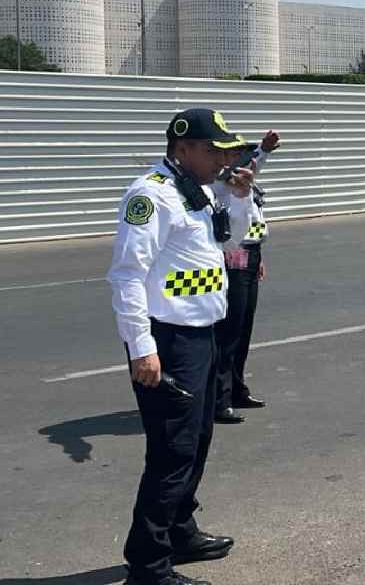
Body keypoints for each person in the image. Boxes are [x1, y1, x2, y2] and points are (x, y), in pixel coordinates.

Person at [108, 108, 256, 585]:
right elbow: (127, 276)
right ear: (183, 148)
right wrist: (141, 349)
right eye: (213, 150)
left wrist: (238, 197)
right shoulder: (150, 195)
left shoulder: (196, 193)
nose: (221, 158)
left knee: (197, 443)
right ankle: (149, 566)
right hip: (168, 340)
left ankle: (178, 531)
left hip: (202, 335)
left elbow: (229, 241)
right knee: (172, 453)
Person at [214, 130, 281, 425]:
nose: (243, 156)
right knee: (228, 334)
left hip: (250, 257)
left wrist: (259, 256)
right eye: (236, 151)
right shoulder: (220, 181)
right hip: (233, 258)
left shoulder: (243, 178)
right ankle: (220, 399)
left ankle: (237, 389)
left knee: (243, 332)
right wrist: (261, 150)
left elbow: (253, 219)